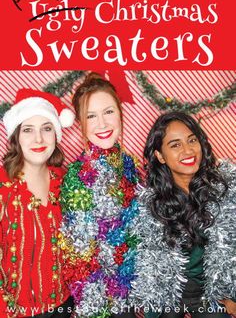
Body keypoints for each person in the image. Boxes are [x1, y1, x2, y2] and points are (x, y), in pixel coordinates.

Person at [131, 111, 236, 318]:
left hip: (212, 294)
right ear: (160, 155)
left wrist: (231, 295)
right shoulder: (149, 204)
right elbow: (149, 265)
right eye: (175, 145)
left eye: (192, 140)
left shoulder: (227, 189)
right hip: (170, 294)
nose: (188, 151)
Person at [58, 72, 140, 318]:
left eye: (108, 112)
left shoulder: (128, 164)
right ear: (80, 123)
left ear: (120, 113)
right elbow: (79, 258)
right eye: (90, 116)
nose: (102, 124)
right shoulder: (77, 176)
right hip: (103, 303)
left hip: (132, 292)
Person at [0, 89, 75, 318]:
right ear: (16, 137)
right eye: (28, 130)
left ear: (56, 134)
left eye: (47, 128)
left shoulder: (67, 183)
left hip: (63, 305)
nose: (39, 139)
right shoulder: (3, 187)